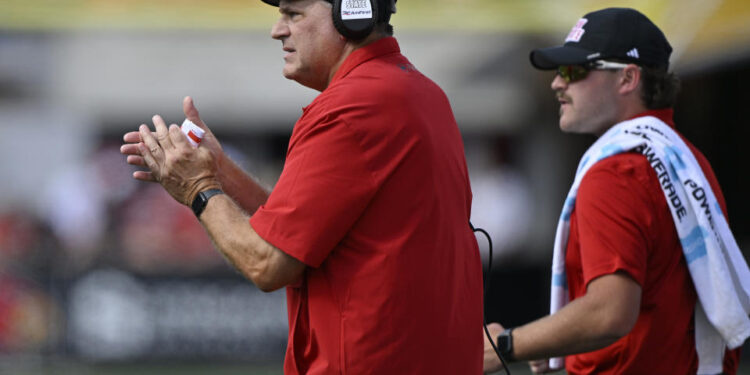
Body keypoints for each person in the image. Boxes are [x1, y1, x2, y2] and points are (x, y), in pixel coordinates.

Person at [120, 0, 484, 374]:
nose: (277, 30)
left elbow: (268, 264)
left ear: (352, 13)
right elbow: (298, 234)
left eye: (294, 14)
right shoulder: (418, 91)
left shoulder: (350, 106)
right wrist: (221, 170)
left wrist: (198, 187)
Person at [483, 7, 750, 375]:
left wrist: (506, 346)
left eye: (574, 70)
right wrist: (550, 338)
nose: (557, 83)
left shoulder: (615, 172)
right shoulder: (685, 158)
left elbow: (610, 313)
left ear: (627, 78)